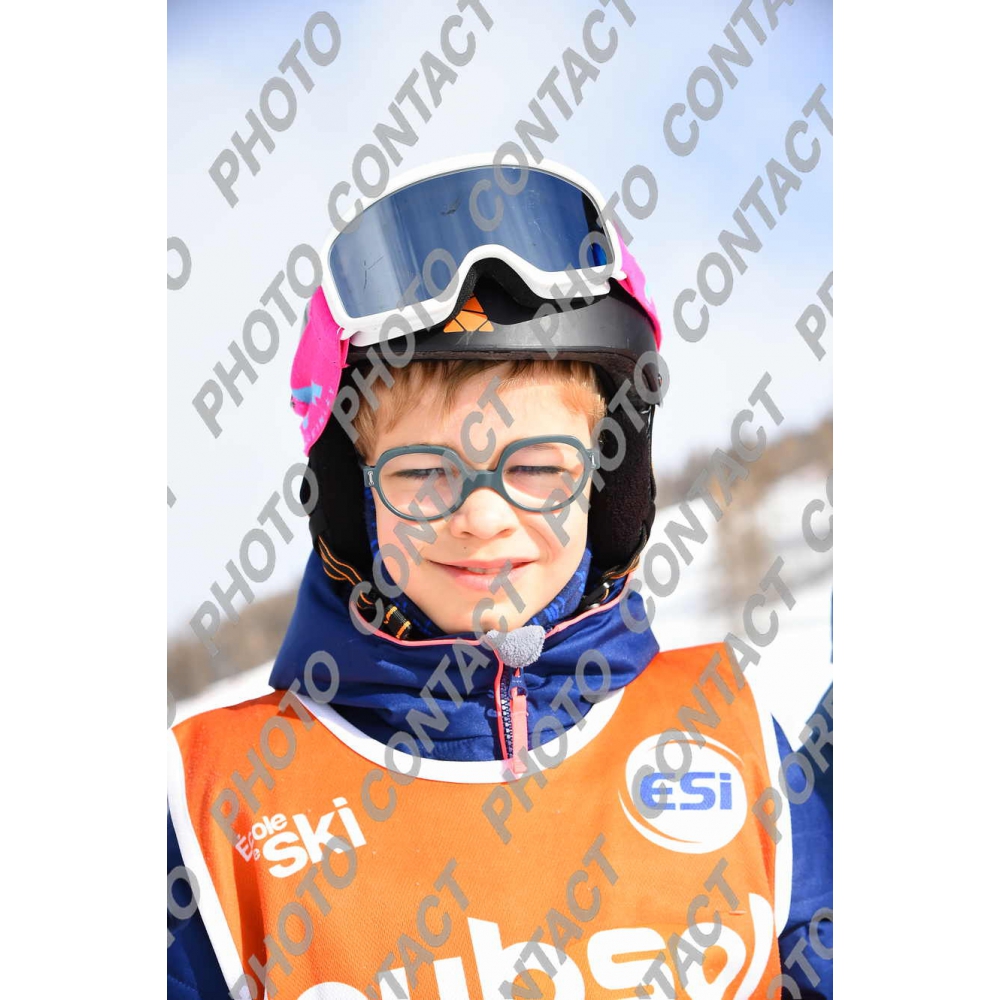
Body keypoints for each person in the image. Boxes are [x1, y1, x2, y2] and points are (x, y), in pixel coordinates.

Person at [168, 156, 832, 999]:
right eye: (422, 473)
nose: (481, 516)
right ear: (351, 500)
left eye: (539, 467)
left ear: (608, 484)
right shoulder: (220, 799)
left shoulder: (730, 736)